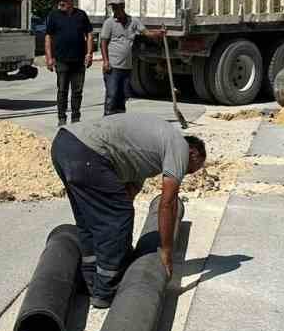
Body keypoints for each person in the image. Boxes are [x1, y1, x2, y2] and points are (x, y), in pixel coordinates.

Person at [51, 115, 206, 308]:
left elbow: (127, 194)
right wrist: (166, 250)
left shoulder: (150, 150)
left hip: (63, 145)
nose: (187, 173)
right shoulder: (179, 147)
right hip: (88, 152)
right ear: (193, 153)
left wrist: (122, 246)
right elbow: (168, 204)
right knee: (119, 216)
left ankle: (90, 281)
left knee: (90, 219)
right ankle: (106, 290)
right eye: (192, 169)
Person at [98, 0, 164, 116]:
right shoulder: (109, 23)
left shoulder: (133, 22)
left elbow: (146, 33)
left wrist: (158, 33)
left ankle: (120, 119)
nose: (114, 10)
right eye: (113, 8)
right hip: (113, 67)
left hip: (126, 67)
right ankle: (108, 119)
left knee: (123, 96)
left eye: (116, 7)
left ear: (122, 7)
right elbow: (103, 42)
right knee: (112, 95)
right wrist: (106, 61)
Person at [42, 0, 93, 127]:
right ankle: (62, 118)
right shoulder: (54, 15)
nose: (61, 2)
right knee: (62, 90)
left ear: (71, 0)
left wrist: (89, 53)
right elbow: (48, 37)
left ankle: (76, 118)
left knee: (77, 91)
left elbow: (89, 34)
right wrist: (49, 57)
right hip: (61, 60)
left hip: (78, 60)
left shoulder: (81, 15)